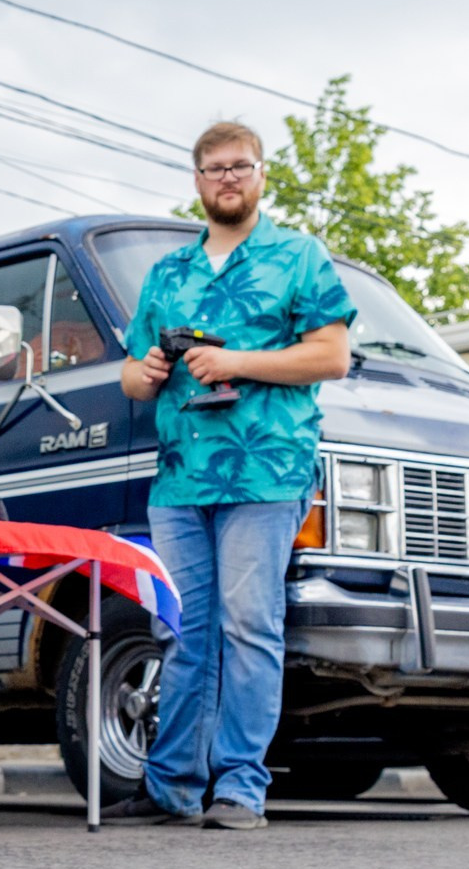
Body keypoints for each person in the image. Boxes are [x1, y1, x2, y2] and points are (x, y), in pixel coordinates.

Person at [116, 122, 355, 830]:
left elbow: (332, 356)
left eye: (240, 167)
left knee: (250, 626)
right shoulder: (168, 274)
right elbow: (130, 375)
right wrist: (148, 371)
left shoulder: (298, 256)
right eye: (215, 169)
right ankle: (170, 786)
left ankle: (240, 789)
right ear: (197, 181)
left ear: (260, 176)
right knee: (183, 631)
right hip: (181, 479)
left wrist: (238, 362)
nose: (228, 178)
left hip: (265, 472)